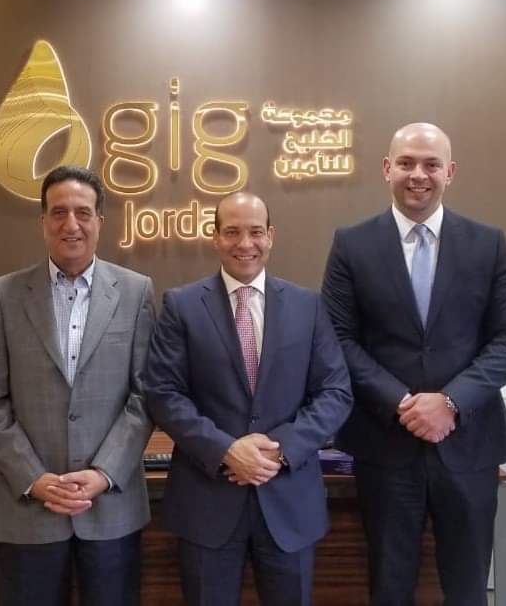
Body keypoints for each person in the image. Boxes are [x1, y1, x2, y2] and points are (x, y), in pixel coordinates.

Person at [321, 122, 506, 605]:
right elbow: (337, 338)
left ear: (450, 172)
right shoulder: (352, 244)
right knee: (390, 586)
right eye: (407, 163)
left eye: (431, 164)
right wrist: (402, 402)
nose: (419, 174)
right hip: (384, 445)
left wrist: (450, 402)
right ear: (386, 168)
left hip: (469, 443)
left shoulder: (488, 243)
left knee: (467, 587)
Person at [144, 191, 352, 605]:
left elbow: (335, 392)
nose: (245, 243)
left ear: (271, 235)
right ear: (215, 237)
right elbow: (163, 392)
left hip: (289, 501)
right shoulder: (182, 305)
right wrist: (226, 450)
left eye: (256, 232)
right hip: (207, 503)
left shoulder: (307, 306)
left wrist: (280, 449)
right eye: (232, 232)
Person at [0, 165, 154, 606]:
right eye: (58, 212)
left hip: (110, 506)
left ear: (100, 222)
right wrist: (34, 478)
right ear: (42, 221)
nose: (70, 224)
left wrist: (103, 473)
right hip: (28, 507)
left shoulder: (136, 292)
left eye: (82, 212)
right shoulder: (3, 295)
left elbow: (145, 395)